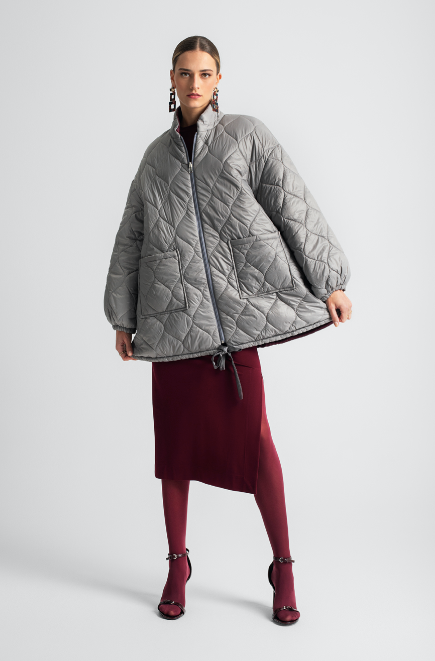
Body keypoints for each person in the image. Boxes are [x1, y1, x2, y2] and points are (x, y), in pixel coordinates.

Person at [103, 35, 352, 625]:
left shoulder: (246, 136)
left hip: (231, 329)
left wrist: (330, 281)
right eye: (185, 72)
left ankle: (283, 566)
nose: (194, 83)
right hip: (172, 321)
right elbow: (132, 236)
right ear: (171, 79)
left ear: (219, 80)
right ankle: (177, 565)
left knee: (258, 445)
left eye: (205, 73)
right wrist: (123, 316)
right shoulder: (154, 159)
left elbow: (292, 204)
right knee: (174, 450)